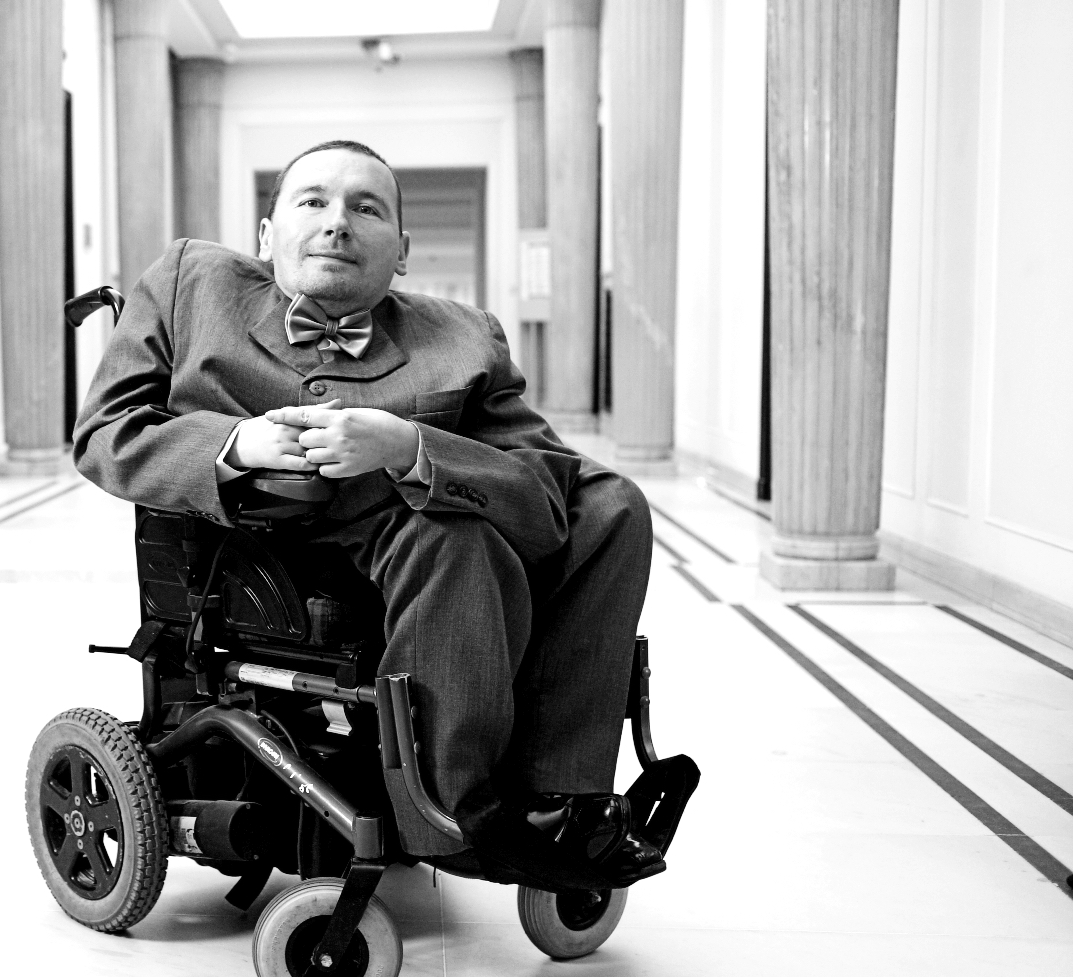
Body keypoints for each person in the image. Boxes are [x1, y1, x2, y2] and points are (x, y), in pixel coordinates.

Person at [73, 140, 664, 890]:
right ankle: (454, 814)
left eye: (365, 208)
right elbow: (105, 432)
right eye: (312, 201)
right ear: (266, 236)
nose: (337, 223)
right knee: (454, 539)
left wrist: (409, 446)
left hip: (400, 528)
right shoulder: (191, 283)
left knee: (612, 504)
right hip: (252, 553)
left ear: (402, 251)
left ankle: (560, 795)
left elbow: (543, 488)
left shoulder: (463, 336)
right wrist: (234, 443)